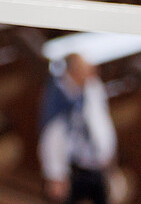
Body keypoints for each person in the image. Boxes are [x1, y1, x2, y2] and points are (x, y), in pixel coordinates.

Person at [39, 53, 118, 203]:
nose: (91, 75)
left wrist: (109, 154)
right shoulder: (59, 96)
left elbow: (102, 123)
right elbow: (52, 138)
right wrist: (56, 174)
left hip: (96, 165)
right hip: (73, 170)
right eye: (86, 71)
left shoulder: (92, 87)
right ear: (74, 71)